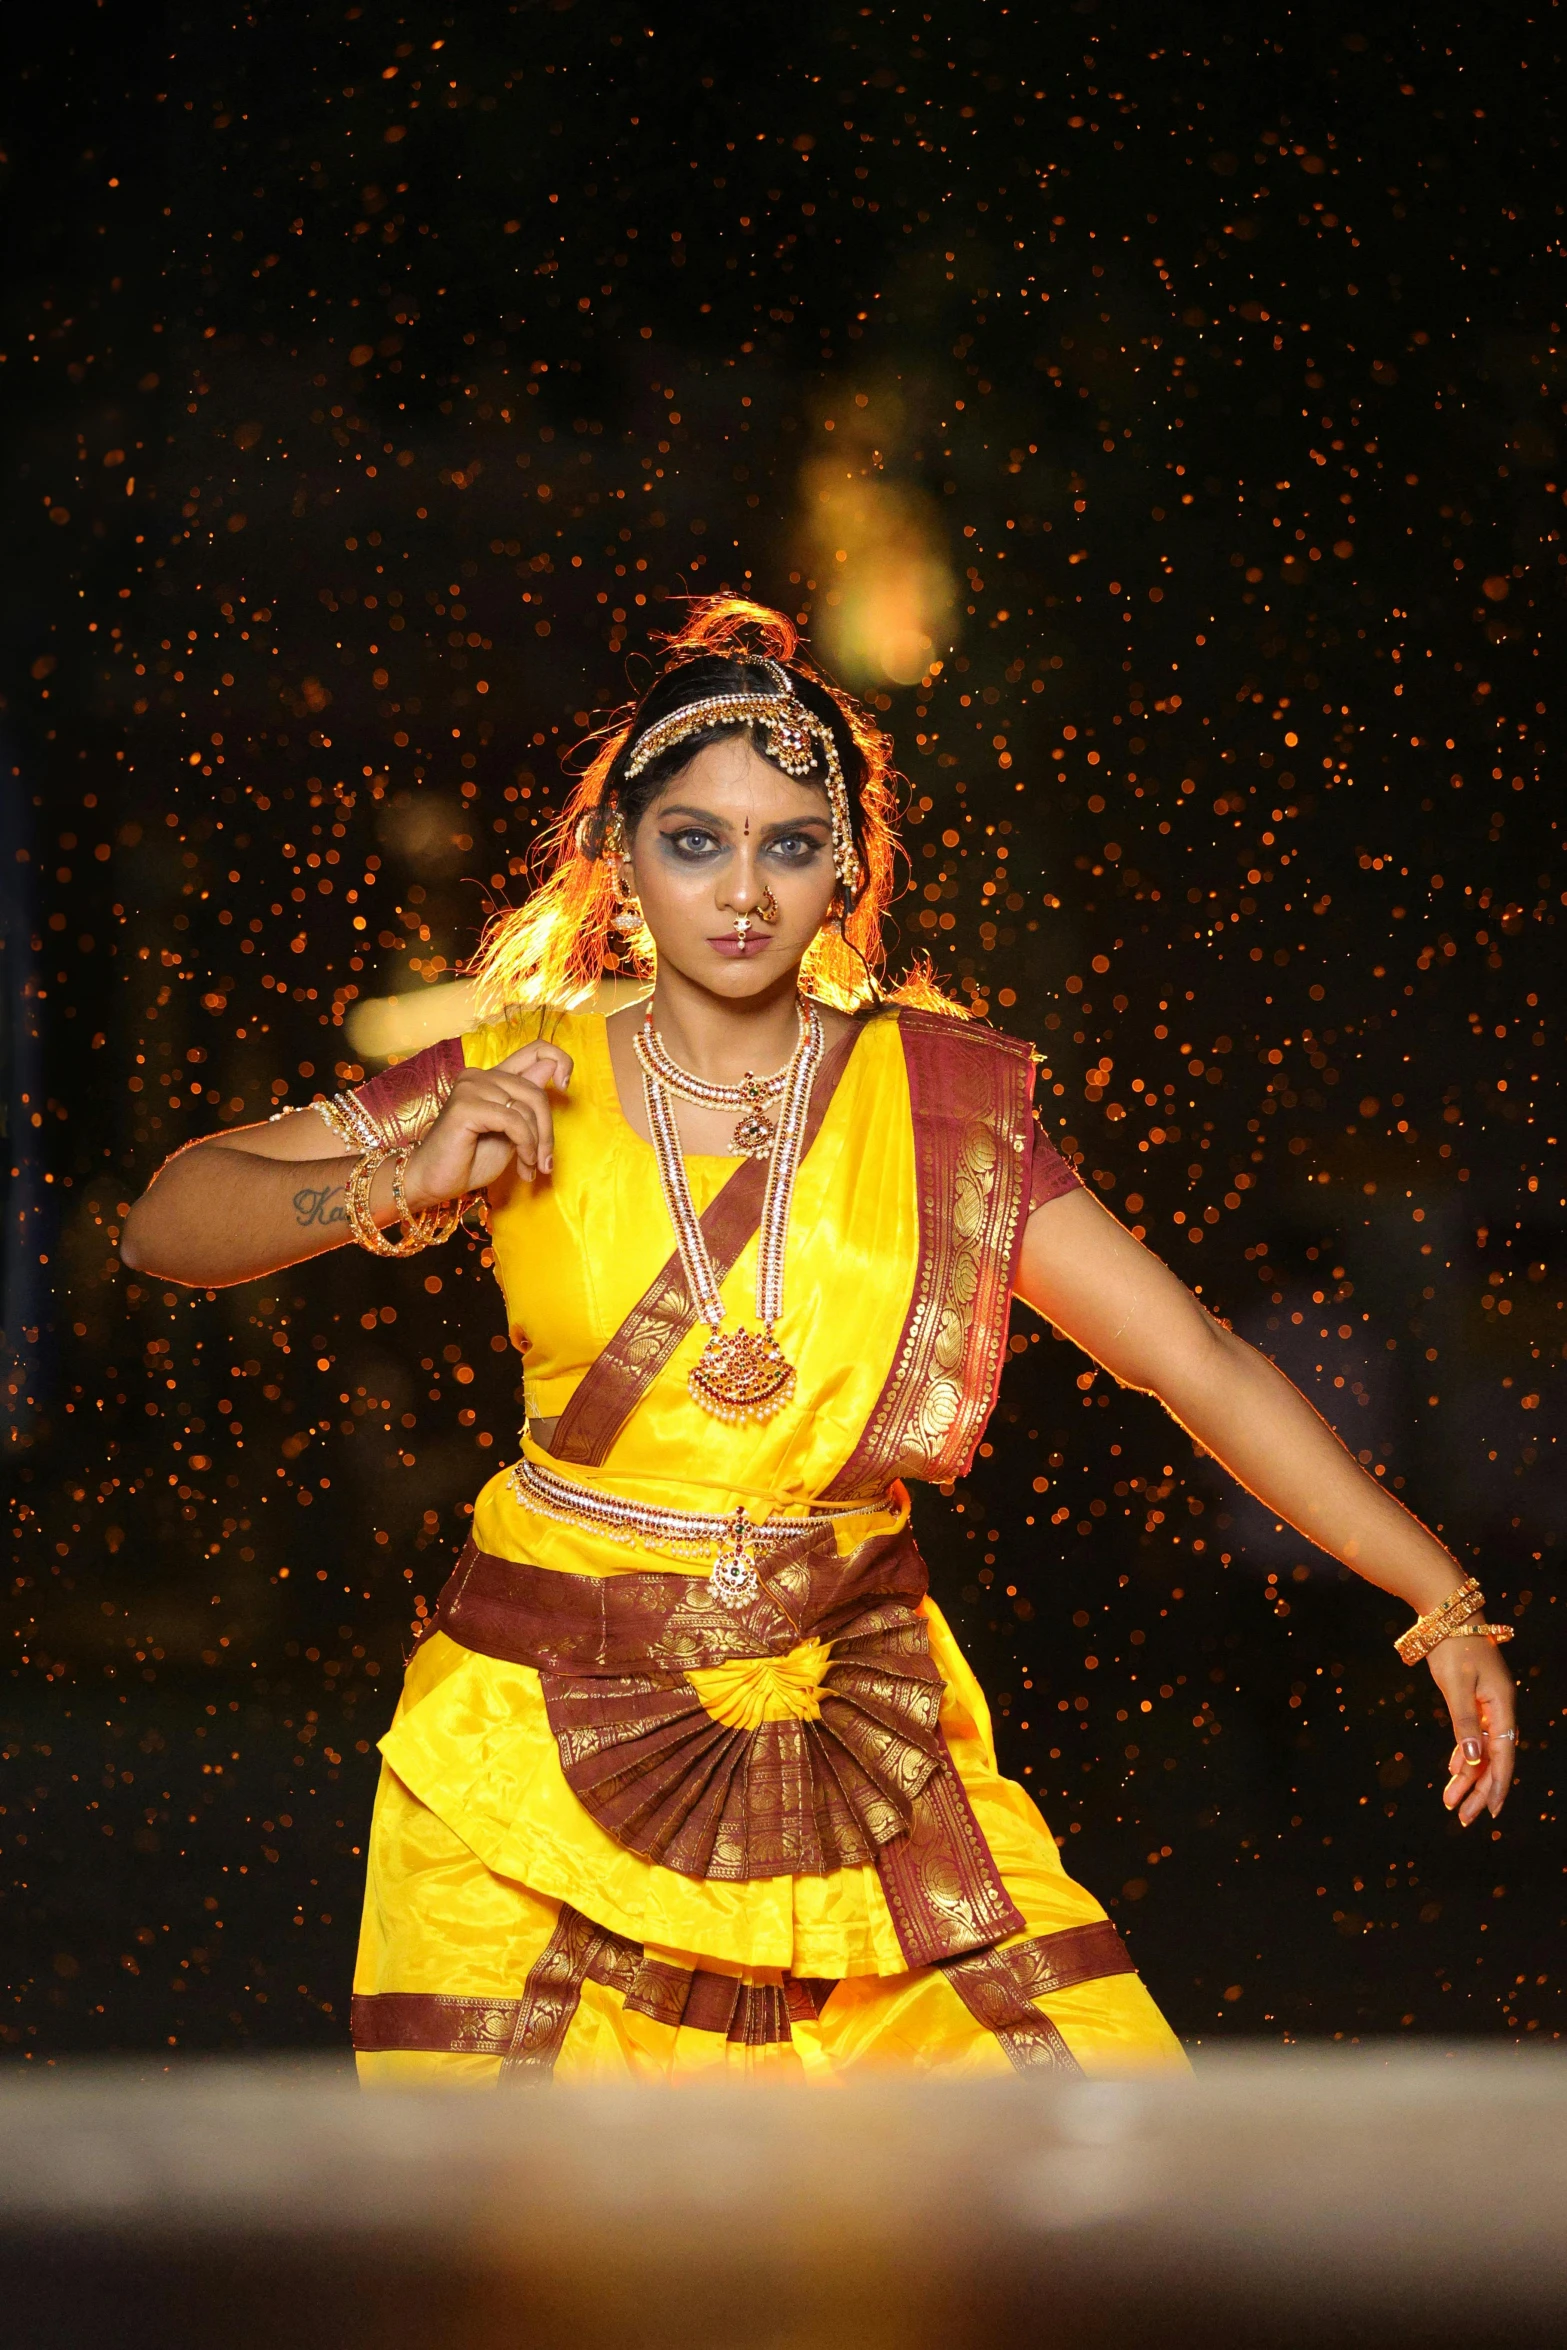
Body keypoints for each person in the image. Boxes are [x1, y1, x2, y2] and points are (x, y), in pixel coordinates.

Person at [122, 598, 1517, 2083]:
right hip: (531, 1740)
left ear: (843, 867)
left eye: (788, 843)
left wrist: (1433, 1593)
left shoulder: (938, 1114)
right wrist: (390, 1181)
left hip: (865, 1730)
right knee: (549, 2260)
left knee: (1082, 2157)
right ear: (619, 858)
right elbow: (171, 1219)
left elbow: (1194, 1360)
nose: (740, 890)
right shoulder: (517, 1074)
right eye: (694, 841)